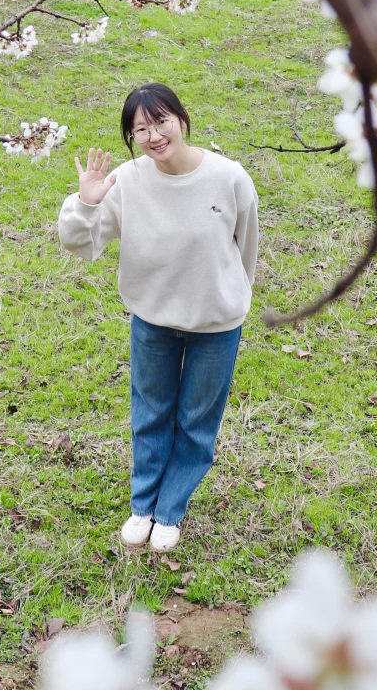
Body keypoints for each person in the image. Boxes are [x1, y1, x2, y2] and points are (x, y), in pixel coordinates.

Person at [58, 83, 259, 553]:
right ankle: (142, 506)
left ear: (182, 120)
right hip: (152, 320)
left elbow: (245, 247)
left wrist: (231, 299)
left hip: (215, 326)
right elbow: (80, 244)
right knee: (150, 414)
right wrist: (87, 202)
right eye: (140, 129)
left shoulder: (229, 178)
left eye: (161, 121)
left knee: (196, 421)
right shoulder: (127, 182)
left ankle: (170, 509)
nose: (154, 136)